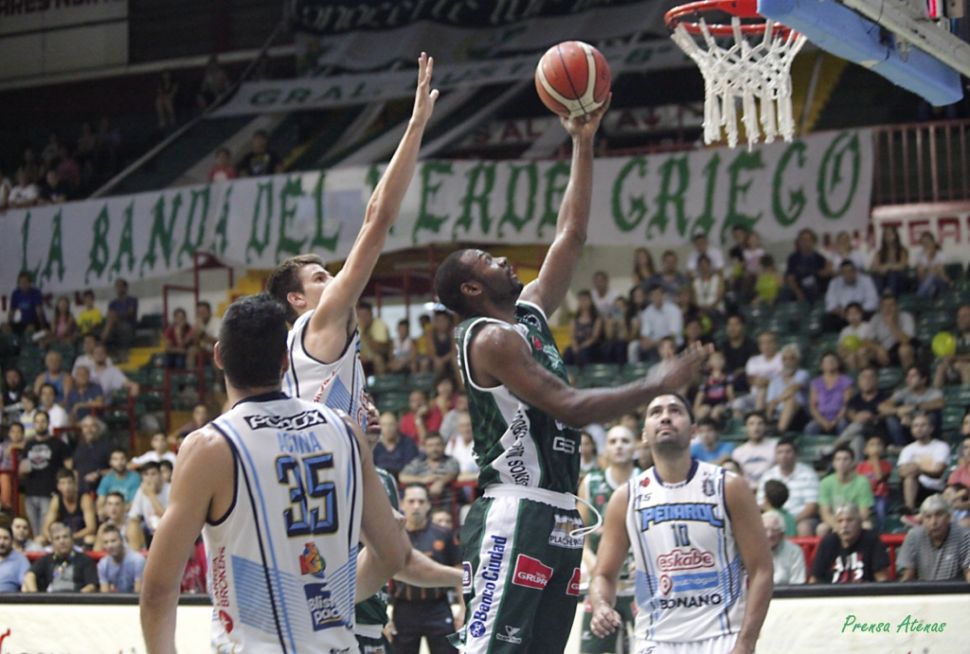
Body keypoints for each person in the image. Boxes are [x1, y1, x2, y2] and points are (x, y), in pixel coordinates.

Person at [434, 97, 706, 653]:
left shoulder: (529, 312)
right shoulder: (488, 339)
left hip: (560, 514)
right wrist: (657, 383)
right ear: (472, 288)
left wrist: (582, 139)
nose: (503, 260)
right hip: (514, 508)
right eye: (487, 260)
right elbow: (571, 406)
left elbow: (571, 234)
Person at [140, 294, 411, 653]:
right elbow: (391, 555)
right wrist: (329, 604)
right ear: (285, 359)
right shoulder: (345, 429)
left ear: (218, 356)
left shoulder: (210, 447)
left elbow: (158, 589)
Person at [267, 53, 438, 427]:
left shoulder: (296, 346)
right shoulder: (323, 318)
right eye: (319, 278)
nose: (333, 280)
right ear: (297, 299)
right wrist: (416, 124)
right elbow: (377, 218)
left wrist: (359, 418)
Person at [588, 394, 773, 654]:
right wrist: (600, 605)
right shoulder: (626, 497)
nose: (665, 417)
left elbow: (762, 569)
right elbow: (603, 575)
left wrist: (746, 642)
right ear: (644, 435)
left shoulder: (729, 487)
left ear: (693, 431)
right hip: (656, 639)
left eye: (675, 411)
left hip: (722, 636)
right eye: (656, 412)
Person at [577, 425, 639, 654]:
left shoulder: (648, 481)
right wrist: (593, 563)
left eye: (625, 440)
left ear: (635, 447)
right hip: (601, 588)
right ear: (605, 449)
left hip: (640, 588)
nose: (619, 446)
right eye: (613, 441)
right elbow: (579, 537)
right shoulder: (590, 483)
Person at [390, 484, 463, 654]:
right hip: (404, 608)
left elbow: (459, 571)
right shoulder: (392, 536)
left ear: (429, 505)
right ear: (402, 504)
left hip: (437, 607)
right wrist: (383, 617)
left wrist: (463, 609)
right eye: (411, 501)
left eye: (421, 501)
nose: (416, 506)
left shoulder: (444, 534)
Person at [19, 409, 71, 538]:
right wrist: (21, 471)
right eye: (37, 422)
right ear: (33, 424)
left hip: (49, 492)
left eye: (43, 421)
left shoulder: (58, 444)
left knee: (46, 531)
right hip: (30, 493)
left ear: (48, 423)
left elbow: (68, 468)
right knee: (34, 531)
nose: (40, 424)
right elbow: (22, 469)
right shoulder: (29, 444)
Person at [809, 503, 889, 583]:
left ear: (859, 523)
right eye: (840, 521)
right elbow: (814, 580)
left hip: (864, 590)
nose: (844, 525)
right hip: (833, 590)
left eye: (849, 520)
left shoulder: (872, 540)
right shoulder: (827, 543)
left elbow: (882, 580)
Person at [896, 494, 970, 581]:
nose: (933, 522)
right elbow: (907, 576)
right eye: (928, 517)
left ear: (948, 517)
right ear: (922, 520)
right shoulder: (914, 536)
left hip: (955, 589)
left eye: (939, 515)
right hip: (923, 589)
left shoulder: (964, 536)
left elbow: (968, 573)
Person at [757, 437, 820, 536]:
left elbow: (811, 507)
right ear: (775, 455)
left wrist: (789, 521)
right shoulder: (767, 475)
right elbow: (761, 504)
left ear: (795, 454)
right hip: (772, 518)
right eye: (780, 452)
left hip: (800, 519)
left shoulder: (808, 474)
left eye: (788, 452)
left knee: (804, 527)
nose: (784, 455)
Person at [897, 412, 950, 515]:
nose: (919, 429)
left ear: (931, 429)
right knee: (909, 477)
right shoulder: (907, 449)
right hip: (913, 487)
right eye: (915, 426)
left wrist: (919, 470)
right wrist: (914, 470)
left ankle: (910, 508)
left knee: (911, 474)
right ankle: (910, 508)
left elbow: (938, 472)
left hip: (934, 489)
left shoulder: (941, 446)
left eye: (923, 425)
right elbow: (901, 472)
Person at [22, 522, 98, 593]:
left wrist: (76, 598)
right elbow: (29, 575)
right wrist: (36, 597)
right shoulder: (46, 560)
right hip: (50, 600)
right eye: (57, 538)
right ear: (52, 542)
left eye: (65, 537)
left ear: (72, 539)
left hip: (76, 599)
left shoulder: (85, 560)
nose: (62, 541)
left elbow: (91, 586)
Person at [817, 445, 874, 536]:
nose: (842, 463)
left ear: (852, 462)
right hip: (835, 521)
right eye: (838, 459)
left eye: (845, 459)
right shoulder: (825, 482)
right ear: (833, 463)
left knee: (866, 526)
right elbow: (825, 513)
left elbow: (864, 513)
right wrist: (838, 526)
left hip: (855, 521)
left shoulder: (862, 482)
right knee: (822, 528)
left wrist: (848, 524)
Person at [399, 432, 460, 510]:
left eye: (438, 445)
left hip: (446, 507)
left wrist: (440, 483)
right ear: (424, 447)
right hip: (421, 507)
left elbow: (453, 472)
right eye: (430, 445)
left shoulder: (450, 461)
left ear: (444, 446)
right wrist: (422, 480)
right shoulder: (418, 462)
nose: (434, 449)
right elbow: (402, 477)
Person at [42, 467, 96, 546]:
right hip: (62, 539)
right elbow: (45, 528)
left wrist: (71, 537)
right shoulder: (56, 500)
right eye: (63, 483)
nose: (67, 487)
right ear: (58, 486)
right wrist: (52, 538)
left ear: (75, 484)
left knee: (90, 539)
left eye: (69, 482)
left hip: (80, 537)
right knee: (40, 540)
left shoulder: (85, 499)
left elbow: (91, 528)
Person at [805, 352, 853, 436]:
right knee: (810, 428)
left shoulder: (846, 381)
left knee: (843, 426)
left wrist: (835, 421)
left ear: (838, 363)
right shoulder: (816, 383)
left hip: (840, 418)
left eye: (832, 361)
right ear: (821, 366)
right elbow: (813, 406)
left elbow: (847, 405)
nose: (830, 363)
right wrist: (822, 421)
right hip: (821, 418)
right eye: (827, 361)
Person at [822, 260, 879, 332]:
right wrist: (843, 312)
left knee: (873, 316)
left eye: (851, 271)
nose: (848, 274)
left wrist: (857, 312)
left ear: (855, 271)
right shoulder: (834, 283)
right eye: (845, 272)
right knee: (827, 320)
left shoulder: (866, 280)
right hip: (843, 315)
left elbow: (873, 301)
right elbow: (830, 304)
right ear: (841, 274)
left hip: (862, 313)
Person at [732, 411, 778, 490]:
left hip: (771, 490)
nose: (756, 428)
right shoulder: (738, 452)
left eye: (760, 423)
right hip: (746, 491)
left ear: (766, 426)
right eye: (751, 424)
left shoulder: (776, 447)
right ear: (745, 427)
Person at [784, 228, 831, 303]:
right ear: (799, 242)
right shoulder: (793, 258)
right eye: (803, 240)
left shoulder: (820, 258)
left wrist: (824, 271)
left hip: (816, 287)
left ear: (813, 242)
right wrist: (798, 293)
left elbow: (825, 273)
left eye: (808, 240)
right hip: (798, 288)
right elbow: (790, 278)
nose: (806, 243)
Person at [762, 510, 806, 585]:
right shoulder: (752, 550)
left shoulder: (794, 551)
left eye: (774, 530)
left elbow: (798, 583)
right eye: (765, 530)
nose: (769, 535)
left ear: (782, 533)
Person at [98, 524, 145, 592]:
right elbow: (105, 593)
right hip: (118, 598)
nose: (110, 545)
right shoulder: (103, 564)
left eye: (113, 541)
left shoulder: (137, 560)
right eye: (106, 542)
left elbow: (139, 592)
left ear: (122, 541)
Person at [564, 289, 606, 367]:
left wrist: (582, 346)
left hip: (591, 346)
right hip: (578, 344)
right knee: (568, 352)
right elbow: (572, 336)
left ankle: (584, 373)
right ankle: (567, 373)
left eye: (585, 299)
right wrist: (575, 346)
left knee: (583, 353)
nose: (583, 302)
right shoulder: (574, 319)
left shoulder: (597, 319)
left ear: (590, 301)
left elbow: (594, 337)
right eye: (581, 300)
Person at [373, 411, 420, 479]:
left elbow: (411, 467)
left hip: (404, 481)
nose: (388, 429)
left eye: (391, 424)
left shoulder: (408, 443)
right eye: (384, 425)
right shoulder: (374, 445)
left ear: (397, 425)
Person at [0, 523, 30, 593]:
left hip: (6, 598)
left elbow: (26, 585)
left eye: (5, 538)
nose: (1, 542)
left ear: (12, 541)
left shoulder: (21, 560)